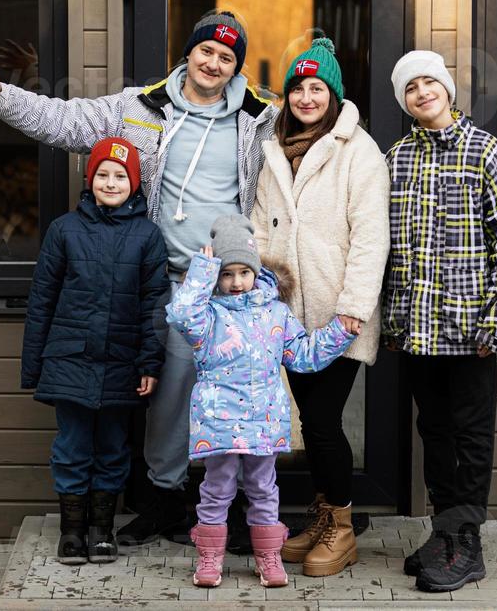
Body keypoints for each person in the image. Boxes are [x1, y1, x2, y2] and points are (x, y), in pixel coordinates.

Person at [0, 11, 278, 543]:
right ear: (188, 53)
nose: (214, 63)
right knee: (169, 396)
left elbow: (316, 133)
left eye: (226, 57)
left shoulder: (261, 118)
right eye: (206, 51)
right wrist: (0, 97)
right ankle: (165, 499)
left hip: (230, 286)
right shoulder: (139, 106)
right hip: (164, 283)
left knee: (238, 393)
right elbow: (67, 121)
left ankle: (238, 507)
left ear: (236, 67)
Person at [382, 50, 497, 593]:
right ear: (404, 101)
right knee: (434, 432)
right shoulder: (395, 157)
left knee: (471, 437)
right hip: (417, 334)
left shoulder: (485, 152)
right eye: (411, 88)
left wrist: (495, 326)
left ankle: (466, 542)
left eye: (430, 82)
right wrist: (392, 322)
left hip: (471, 335)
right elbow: (386, 250)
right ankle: (444, 533)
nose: (423, 93)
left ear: (447, 89)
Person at [251, 34, 389, 576]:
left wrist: (353, 308)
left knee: (325, 421)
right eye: (298, 88)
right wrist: (262, 298)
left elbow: (371, 237)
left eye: (316, 88)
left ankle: (344, 529)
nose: (307, 98)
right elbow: (262, 229)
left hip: (337, 315)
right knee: (309, 421)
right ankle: (324, 514)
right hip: (287, 315)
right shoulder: (273, 149)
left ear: (332, 95)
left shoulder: (359, 152)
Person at [166, 214, 356, 589]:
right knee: (216, 489)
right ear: (216, 276)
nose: (236, 282)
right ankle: (209, 558)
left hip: (262, 423)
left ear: (256, 272)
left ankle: (268, 557)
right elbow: (180, 315)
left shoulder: (276, 314)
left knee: (263, 489)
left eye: (243, 272)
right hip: (217, 424)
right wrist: (201, 271)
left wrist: (338, 332)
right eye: (226, 274)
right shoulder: (207, 315)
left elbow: (304, 355)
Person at [20, 137, 169, 564]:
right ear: (90, 179)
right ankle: (72, 532)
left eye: (120, 176)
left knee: (112, 447)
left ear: (135, 184)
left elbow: (155, 306)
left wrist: (149, 362)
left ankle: (103, 530)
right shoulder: (64, 230)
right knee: (72, 446)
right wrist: (35, 366)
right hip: (69, 360)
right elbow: (43, 299)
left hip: (122, 364)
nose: (110, 181)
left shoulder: (147, 236)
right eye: (102, 174)